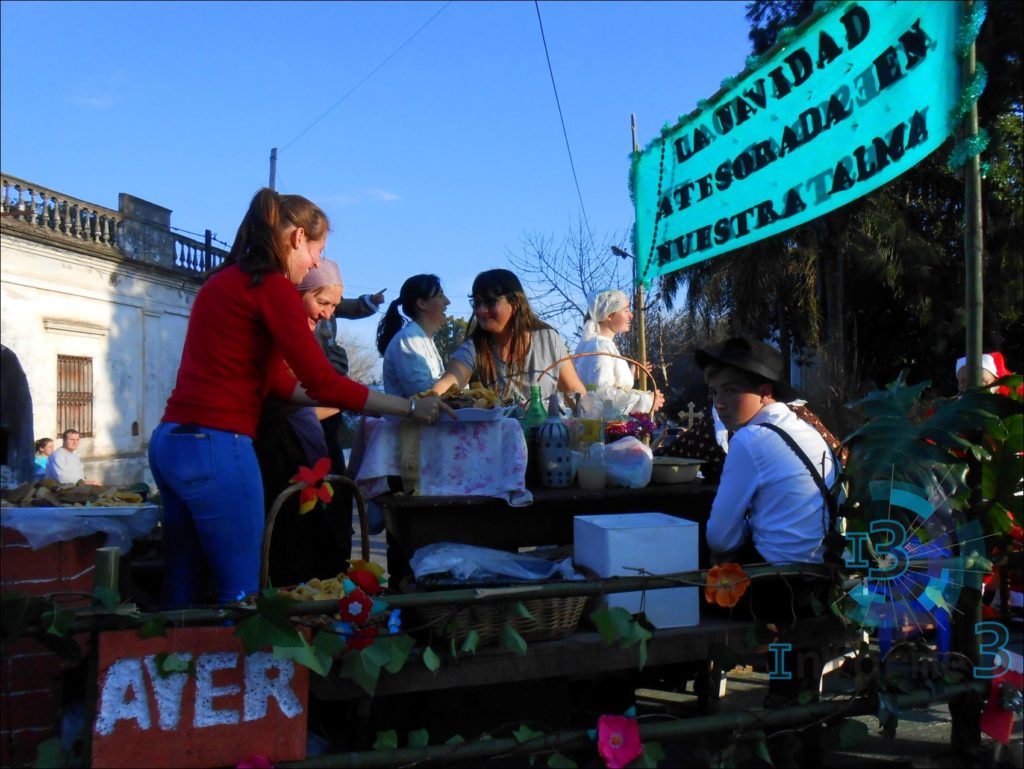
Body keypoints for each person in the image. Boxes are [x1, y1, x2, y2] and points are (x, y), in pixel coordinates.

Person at [148, 188, 451, 608]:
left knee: (184, 587)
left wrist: (356, 401)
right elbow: (322, 383)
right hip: (217, 446)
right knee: (241, 594)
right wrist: (410, 408)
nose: (313, 263)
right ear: (297, 238)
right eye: (317, 251)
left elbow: (276, 383)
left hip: (170, 442)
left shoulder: (223, 280)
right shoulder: (271, 285)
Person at [252, 258, 357, 588]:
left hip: (314, 451)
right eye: (322, 302)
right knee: (292, 545)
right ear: (298, 295)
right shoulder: (280, 339)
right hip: (280, 455)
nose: (327, 313)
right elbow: (283, 402)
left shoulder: (314, 338)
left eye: (334, 306)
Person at [697, 337, 838, 567]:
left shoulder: (750, 439)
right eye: (714, 392)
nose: (719, 404)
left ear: (764, 392)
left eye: (731, 390)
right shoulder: (806, 429)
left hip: (779, 574)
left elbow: (720, 539)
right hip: (824, 566)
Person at [432, 269, 586, 403]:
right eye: (477, 303)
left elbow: (577, 396)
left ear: (515, 303)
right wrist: (428, 401)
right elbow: (448, 382)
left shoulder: (548, 340)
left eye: (490, 302)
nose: (481, 310)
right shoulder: (473, 348)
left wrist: (592, 412)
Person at [573, 289, 665, 415]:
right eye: (626, 310)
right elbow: (602, 395)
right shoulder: (599, 347)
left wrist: (630, 374)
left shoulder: (604, 345)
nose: (631, 315)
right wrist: (646, 401)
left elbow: (608, 383)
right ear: (609, 316)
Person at [376, 274, 450, 397]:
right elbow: (421, 394)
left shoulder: (423, 339)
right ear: (421, 303)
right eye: (440, 296)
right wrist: (458, 375)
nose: (447, 302)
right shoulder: (408, 338)